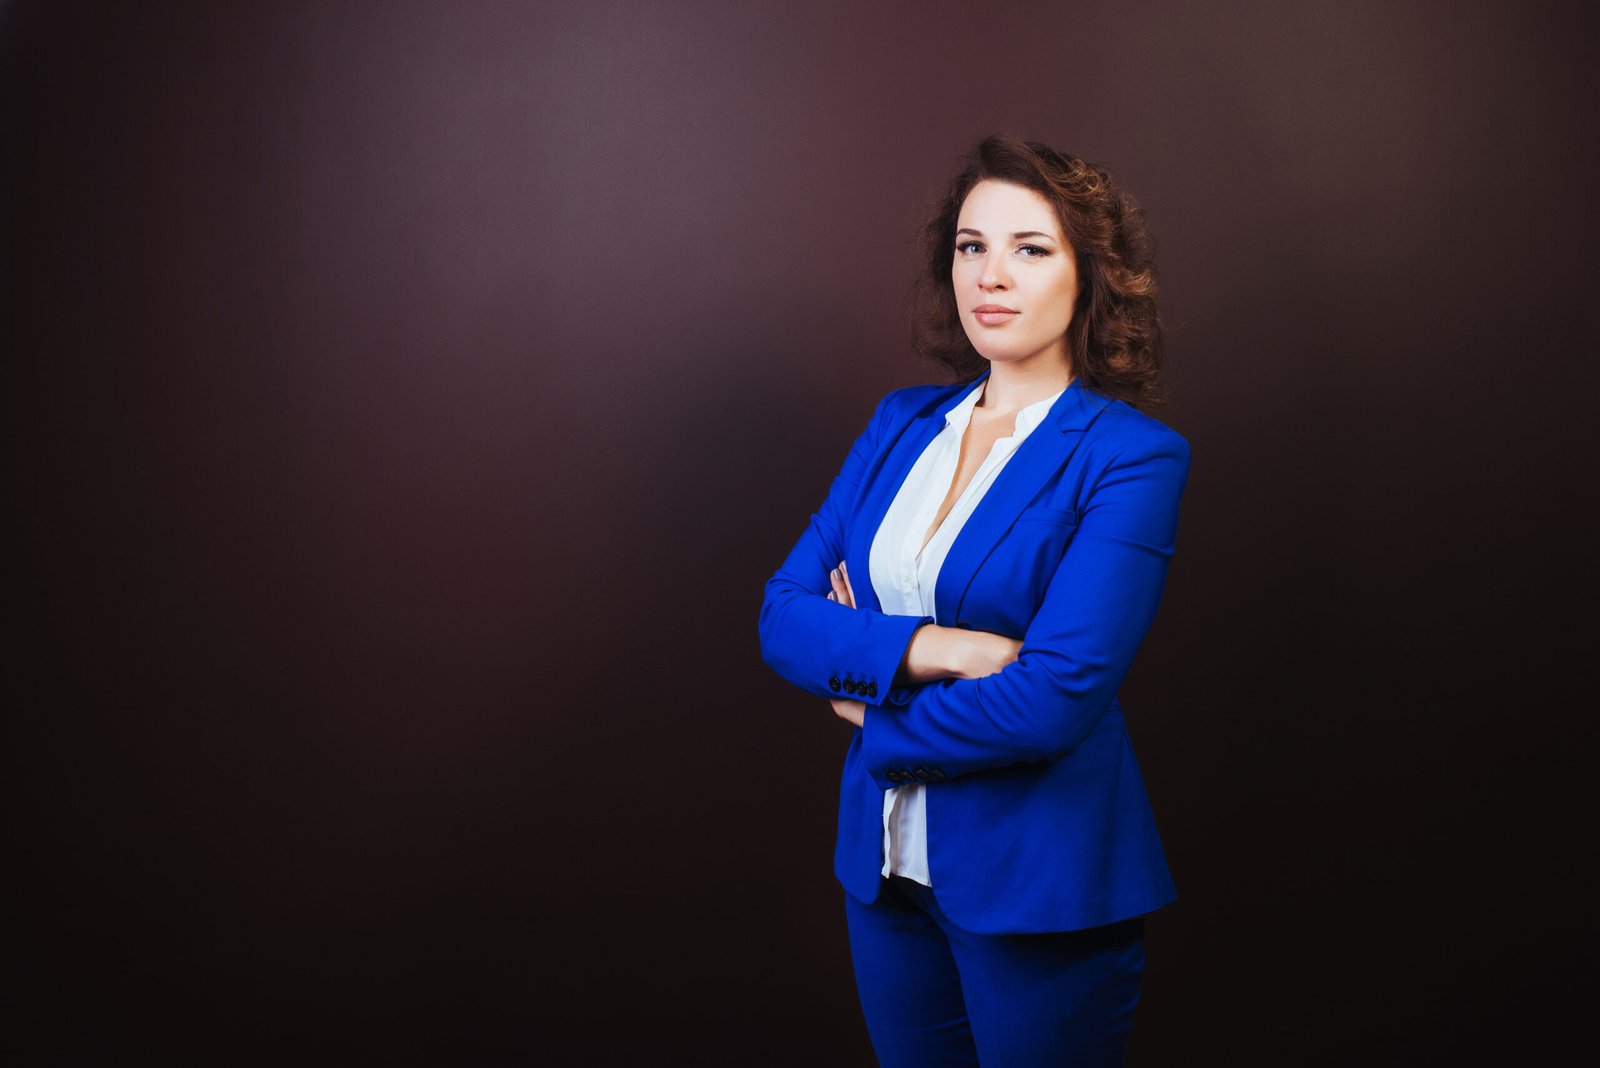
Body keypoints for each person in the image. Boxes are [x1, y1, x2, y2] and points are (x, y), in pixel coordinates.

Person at [757, 133, 1191, 1067]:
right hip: (886, 875)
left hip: (1040, 885)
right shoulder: (900, 422)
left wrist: (868, 705)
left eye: (1030, 249)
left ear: (1092, 274)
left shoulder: (1129, 457)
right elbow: (784, 615)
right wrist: (938, 648)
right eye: (971, 246)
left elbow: (1052, 699)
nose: (991, 275)